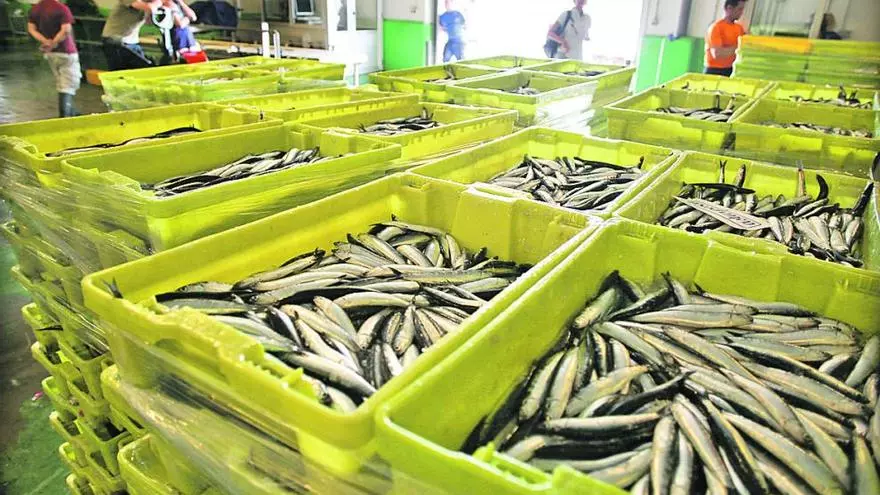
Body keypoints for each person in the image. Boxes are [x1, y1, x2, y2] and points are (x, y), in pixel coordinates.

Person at [27, 0, 81, 117]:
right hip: (67, 51)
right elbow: (66, 30)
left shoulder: (35, 9)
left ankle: (72, 112)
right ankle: (65, 115)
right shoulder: (61, 8)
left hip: (51, 54)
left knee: (61, 83)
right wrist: (54, 42)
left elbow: (31, 29)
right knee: (69, 85)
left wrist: (45, 41)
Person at [102, 0, 162, 70]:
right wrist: (159, 2)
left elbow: (149, 22)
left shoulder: (145, 3)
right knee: (123, 71)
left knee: (143, 68)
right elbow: (150, 8)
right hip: (116, 41)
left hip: (131, 42)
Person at [704, 0, 747, 77]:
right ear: (729, 8)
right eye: (740, 9)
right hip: (714, 71)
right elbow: (717, 54)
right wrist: (739, 48)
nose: (742, 12)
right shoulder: (716, 27)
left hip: (731, 69)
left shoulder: (739, 28)